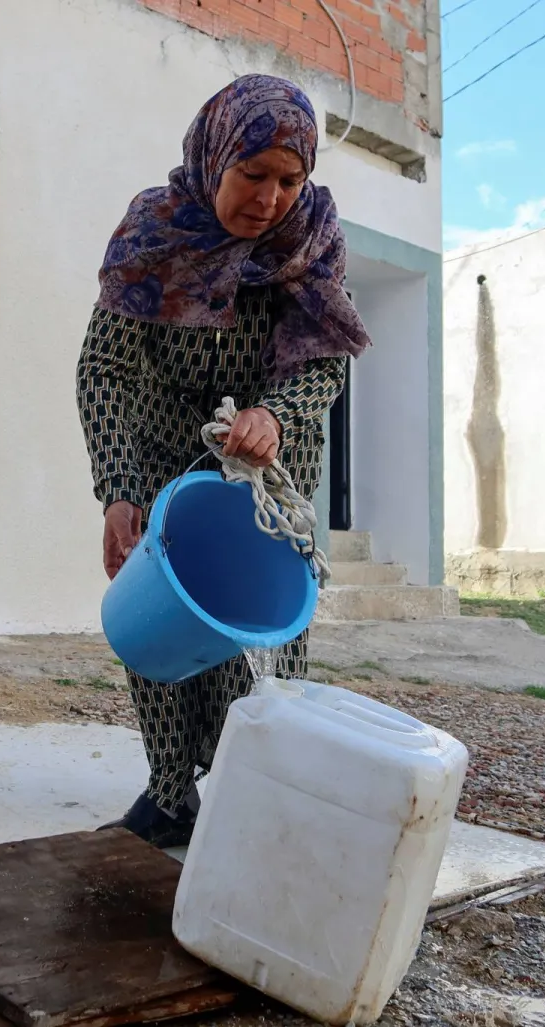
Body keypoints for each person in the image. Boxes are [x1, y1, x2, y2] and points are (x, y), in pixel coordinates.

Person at [76, 74, 372, 848]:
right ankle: (171, 793)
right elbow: (104, 365)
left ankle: (258, 793)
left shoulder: (309, 242)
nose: (271, 198)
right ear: (215, 161)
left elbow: (328, 359)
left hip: (267, 469)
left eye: (289, 178)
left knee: (263, 636)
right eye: (254, 174)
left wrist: (276, 414)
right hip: (166, 454)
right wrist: (118, 489)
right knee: (158, 626)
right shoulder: (156, 231)